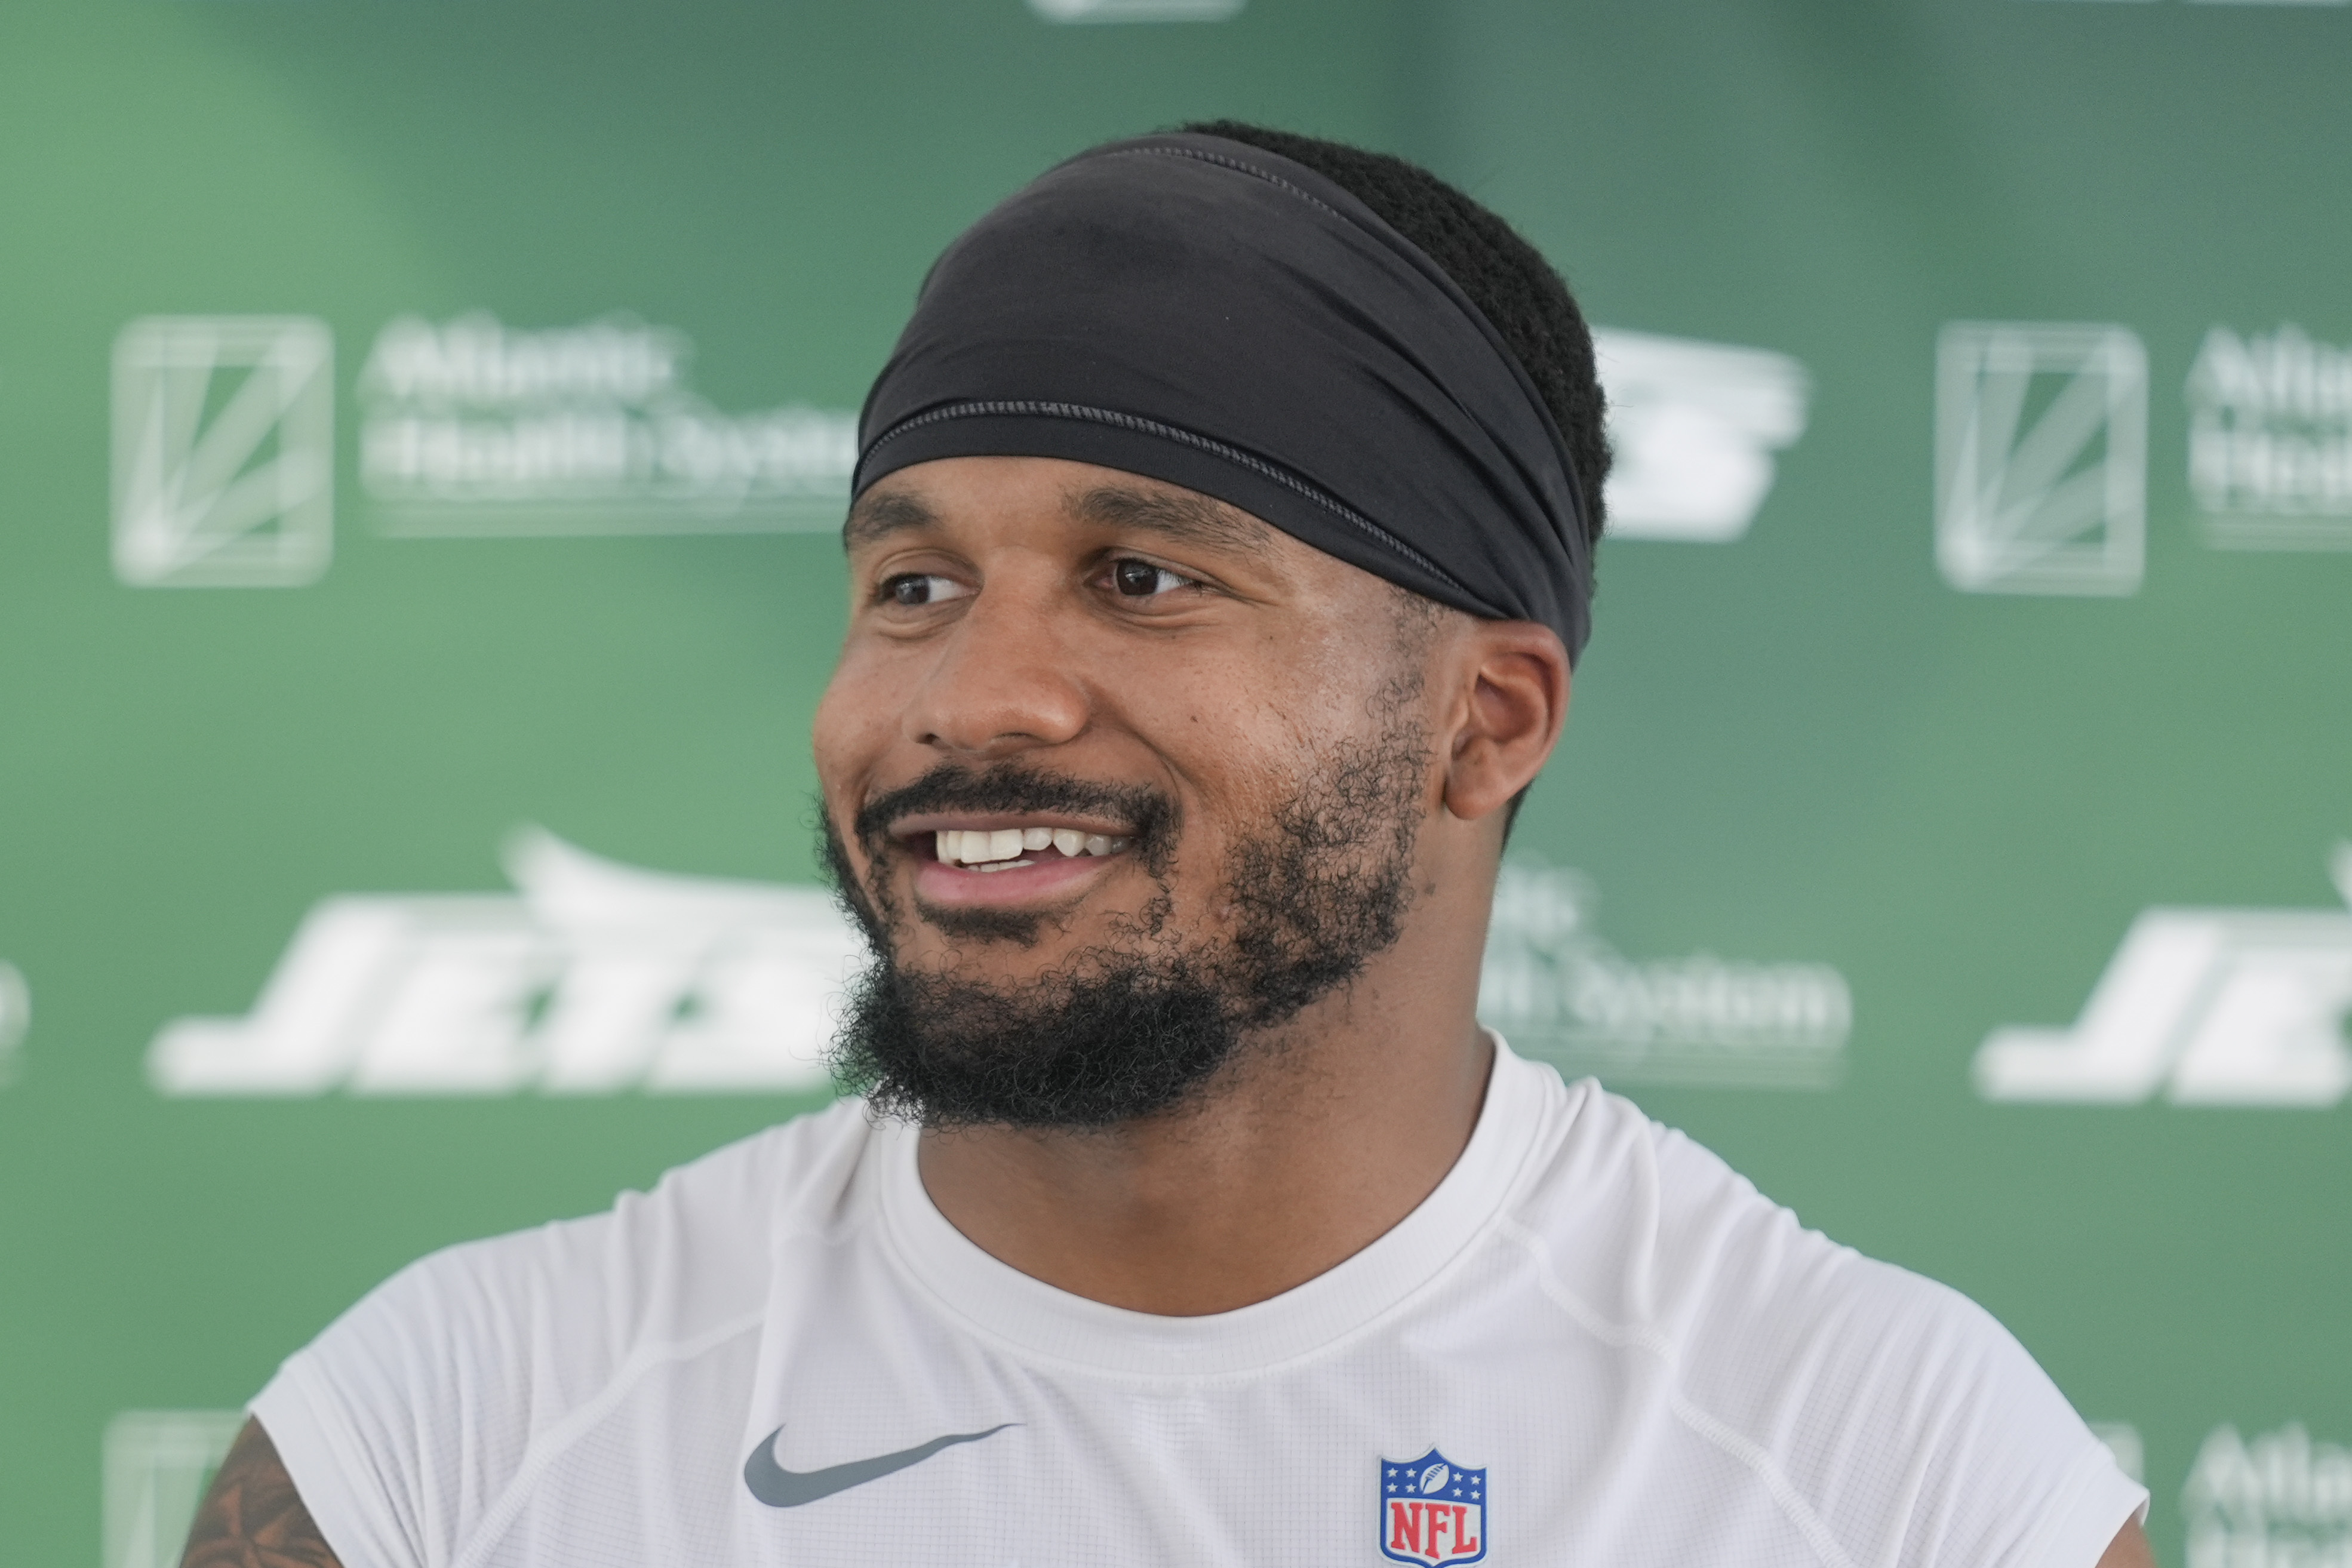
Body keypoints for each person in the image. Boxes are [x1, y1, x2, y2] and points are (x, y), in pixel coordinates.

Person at [185, 124, 2154, 1568]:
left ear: (1485, 721)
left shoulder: (1907, 1483)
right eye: (914, 582)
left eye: (1140, 577)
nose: (974, 695)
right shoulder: (434, 1451)